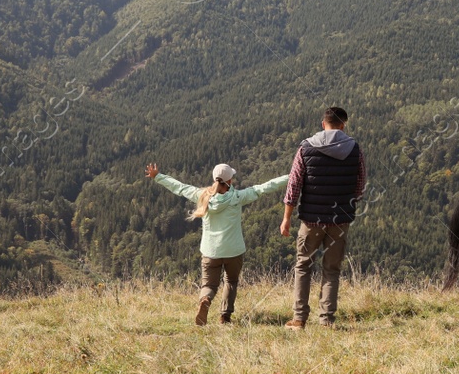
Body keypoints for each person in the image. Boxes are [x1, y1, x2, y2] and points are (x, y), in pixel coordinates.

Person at [147, 161, 287, 326]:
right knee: (231, 281)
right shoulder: (238, 197)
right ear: (229, 181)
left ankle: (205, 300)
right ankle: (225, 317)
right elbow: (265, 187)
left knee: (209, 285)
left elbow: (181, 188)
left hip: (210, 251)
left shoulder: (202, 195)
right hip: (234, 251)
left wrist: (158, 177)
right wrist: (292, 177)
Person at [280, 106, 366, 329]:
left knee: (303, 266)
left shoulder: (306, 148)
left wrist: (287, 217)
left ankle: (299, 318)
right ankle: (326, 319)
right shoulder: (355, 149)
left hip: (311, 219)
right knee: (332, 269)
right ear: (342, 125)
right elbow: (360, 185)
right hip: (340, 220)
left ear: (323, 123)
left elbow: (294, 186)